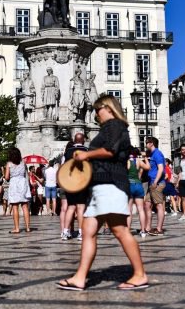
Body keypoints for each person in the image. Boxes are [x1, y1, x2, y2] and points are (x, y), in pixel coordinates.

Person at [57, 95, 148, 291]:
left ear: (108, 108)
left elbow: (110, 150)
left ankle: (140, 274)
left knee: (120, 230)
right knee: (88, 232)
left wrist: (86, 154)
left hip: (111, 183)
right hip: (100, 185)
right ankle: (80, 277)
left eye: (98, 110)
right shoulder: (108, 128)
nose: (96, 115)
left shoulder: (115, 125)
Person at [62, 133, 89, 241]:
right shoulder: (87, 151)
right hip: (82, 182)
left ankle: (65, 231)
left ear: (74, 140)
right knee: (81, 207)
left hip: (70, 183)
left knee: (71, 207)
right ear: (83, 140)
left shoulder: (67, 152)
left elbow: (63, 166)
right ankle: (81, 232)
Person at [5, 147, 31, 233]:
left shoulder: (9, 164)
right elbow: (26, 174)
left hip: (14, 184)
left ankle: (17, 228)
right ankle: (27, 227)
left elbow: (7, 177)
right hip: (23, 183)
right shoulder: (23, 163)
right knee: (25, 206)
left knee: (15, 206)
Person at [144, 136, 166, 236]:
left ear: (151, 143)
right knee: (147, 204)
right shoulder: (152, 154)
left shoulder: (157, 154)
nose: (145, 144)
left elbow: (161, 169)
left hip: (156, 183)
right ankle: (148, 227)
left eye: (146, 142)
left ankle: (159, 229)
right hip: (151, 183)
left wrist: (155, 182)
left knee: (159, 205)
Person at [127, 147, 148, 238]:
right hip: (138, 185)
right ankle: (143, 231)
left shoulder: (126, 161)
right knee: (140, 209)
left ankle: (127, 232)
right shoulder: (138, 160)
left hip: (129, 185)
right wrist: (146, 158)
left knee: (129, 210)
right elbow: (148, 167)